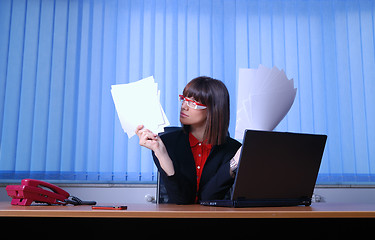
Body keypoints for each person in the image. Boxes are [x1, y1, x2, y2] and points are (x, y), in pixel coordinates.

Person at [135, 76, 242, 204]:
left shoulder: (233, 149)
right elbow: (181, 200)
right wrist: (162, 154)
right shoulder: (164, 144)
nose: (184, 106)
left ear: (213, 109)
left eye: (193, 102)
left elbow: (208, 199)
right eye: (184, 99)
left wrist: (233, 164)